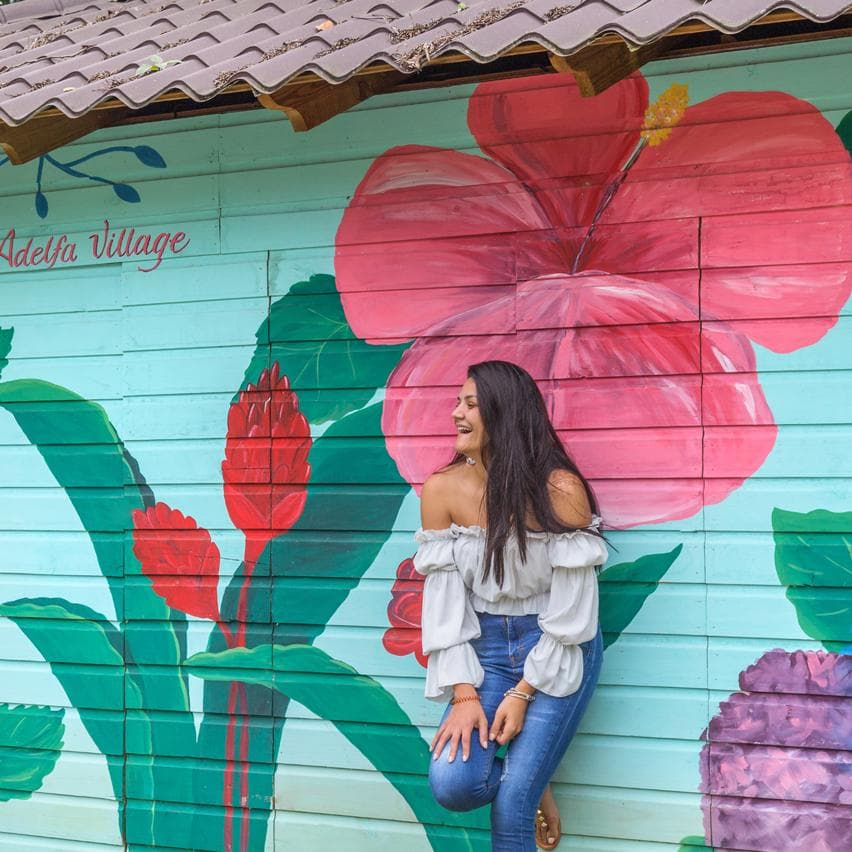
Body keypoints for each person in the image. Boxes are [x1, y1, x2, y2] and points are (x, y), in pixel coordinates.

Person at [413, 360, 608, 851]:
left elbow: (572, 615)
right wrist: (464, 694)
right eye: (458, 402)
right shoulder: (442, 489)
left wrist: (523, 693)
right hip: (485, 651)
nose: (456, 413)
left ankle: (527, 778)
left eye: (470, 404)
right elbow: (444, 602)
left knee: (511, 803)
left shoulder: (559, 489)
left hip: (557, 642)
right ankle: (532, 771)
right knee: (453, 785)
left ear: (505, 413)